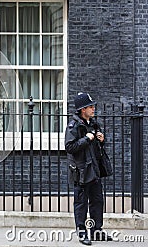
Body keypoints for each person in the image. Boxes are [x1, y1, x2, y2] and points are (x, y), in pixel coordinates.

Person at [65, 92, 112, 245]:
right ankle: (82, 232)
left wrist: (101, 140)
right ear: (82, 109)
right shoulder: (74, 126)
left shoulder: (93, 124)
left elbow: (96, 148)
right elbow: (69, 147)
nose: (93, 109)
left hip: (94, 169)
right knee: (81, 203)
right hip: (81, 171)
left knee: (97, 201)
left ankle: (97, 231)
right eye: (90, 107)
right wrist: (87, 139)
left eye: (92, 106)